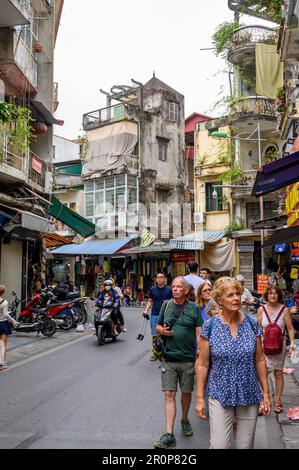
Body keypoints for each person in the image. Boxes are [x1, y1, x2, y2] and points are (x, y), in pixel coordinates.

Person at [196, 277, 271, 449]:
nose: (236, 298)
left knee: (245, 446)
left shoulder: (252, 324)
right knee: (219, 445)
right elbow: (202, 364)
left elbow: (259, 359)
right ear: (219, 299)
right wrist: (200, 398)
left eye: (237, 294)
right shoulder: (210, 326)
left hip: (249, 391)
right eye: (230, 295)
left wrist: (266, 394)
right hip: (220, 392)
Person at [153, 277, 203, 449]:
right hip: (168, 358)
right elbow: (158, 326)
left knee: (186, 393)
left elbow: (199, 332)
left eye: (178, 287)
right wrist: (162, 331)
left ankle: (185, 419)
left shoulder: (194, 308)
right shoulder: (166, 305)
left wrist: (199, 354)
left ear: (186, 290)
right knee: (169, 394)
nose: (174, 289)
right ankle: (169, 433)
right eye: (173, 286)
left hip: (188, 359)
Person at [257, 285, 295, 414]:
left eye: (275, 293)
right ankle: (264, 401)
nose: (273, 295)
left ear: (279, 295)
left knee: (278, 373)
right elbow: (257, 330)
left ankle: (278, 400)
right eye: (270, 293)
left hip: (280, 346)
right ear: (266, 295)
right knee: (263, 373)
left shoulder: (284, 310)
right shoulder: (261, 310)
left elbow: (290, 328)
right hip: (263, 346)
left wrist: (293, 345)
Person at [143, 272, 173, 361]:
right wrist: (146, 310)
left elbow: (172, 301)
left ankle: (167, 352)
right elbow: (150, 300)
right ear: (155, 279)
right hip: (155, 314)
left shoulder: (169, 289)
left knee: (167, 333)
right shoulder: (152, 289)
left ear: (165, 279)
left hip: (167, 315)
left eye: (162, 277)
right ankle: (155, 353)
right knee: (155, 334)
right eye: (158, 277)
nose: (160, 279)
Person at [0, 285, 18, 370]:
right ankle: (1, 363)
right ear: (3, 292)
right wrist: (14, 321)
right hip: (3, 324)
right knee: (3, 345)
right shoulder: (4, 302)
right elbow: (5, 314)